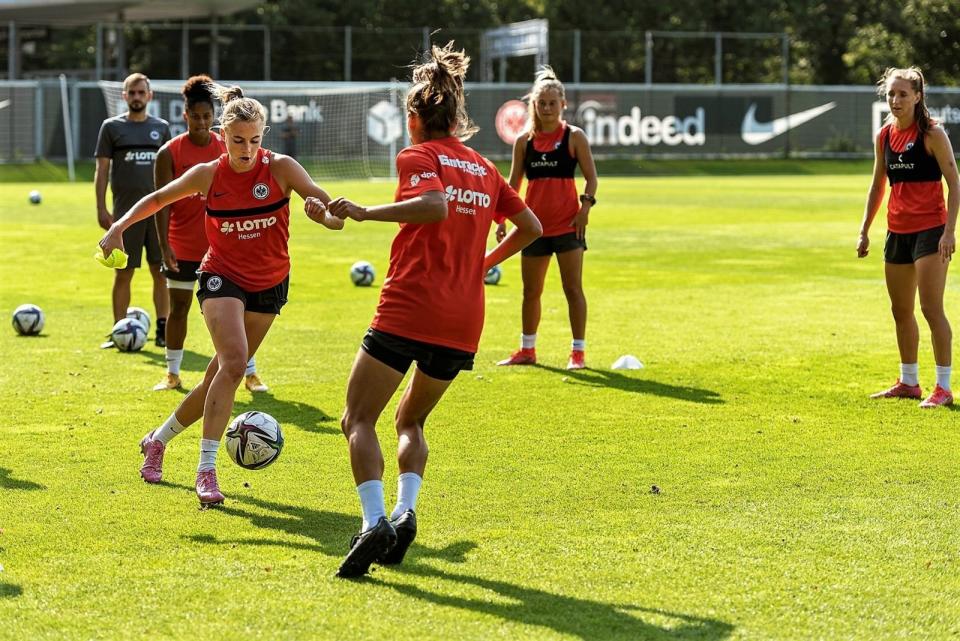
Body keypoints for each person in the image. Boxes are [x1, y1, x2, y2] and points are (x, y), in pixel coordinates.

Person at [306, 43, 542, 579]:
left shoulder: (419, 155)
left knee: (356, 418)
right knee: (410, 418)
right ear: (454, 114)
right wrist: (483, 261)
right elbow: (531, 227)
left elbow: (433, 205)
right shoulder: (482, 166)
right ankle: (405, 510)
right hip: (463, 320)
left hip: (410, 308)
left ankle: (373, 523)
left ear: (413, 117)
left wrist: (365, 212)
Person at [99, 83, 344, 506]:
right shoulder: (208, 174)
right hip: (221, 276)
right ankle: (206, 470)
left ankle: (157, 440)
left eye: (253, 140)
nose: (246, 149)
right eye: (237, 140)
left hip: (270, 284)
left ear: (262, 136)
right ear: (223, 135)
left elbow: (333, 216)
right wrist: (118, 228)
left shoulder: (283, 168)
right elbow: (158, 199)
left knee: (219, 376)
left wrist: (323, 216)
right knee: (234, 364)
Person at [152, 75, 269, 394]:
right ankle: (172, 373)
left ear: (214, 118)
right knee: (178, 308)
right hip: (182, 245)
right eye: (196, 116)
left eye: (207, 116)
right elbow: (161, 204)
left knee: (239, 314)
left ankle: (250, 372)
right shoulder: (169, 152)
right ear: (184, 115)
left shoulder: (229, 145)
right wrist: (164, 245)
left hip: (223, 250)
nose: (202, 122)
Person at [857, 66, 960, 408]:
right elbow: (877, 185)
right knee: (900, 309)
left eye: (903, 94)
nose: (895, 100)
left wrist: (949, 232)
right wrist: (864, 229)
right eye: (891, 94)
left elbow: (955, 183)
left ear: (918, 96)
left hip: (931, 230)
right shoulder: (884, 136)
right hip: (897, 231)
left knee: (931, 308)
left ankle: (943, 387)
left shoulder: (932, 133)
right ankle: (909, 381)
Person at [495, 67, 598, 370]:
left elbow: (592, 179)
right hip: (533, 230)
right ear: (534, 106)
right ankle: (528, 350)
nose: (548, 109)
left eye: (553, 103)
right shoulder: (523, 142)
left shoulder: (574, 137)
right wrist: (501, 219)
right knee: (531, 291)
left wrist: (584, 209)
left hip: (568, 227)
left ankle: (577, 353)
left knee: (572, 289)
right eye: (542, 104)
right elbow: (512, 185)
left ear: (563, 104)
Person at [95, 72, 171, 348]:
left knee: (160, 271)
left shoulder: (161, 128)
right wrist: (102, 207)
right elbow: (102, 169)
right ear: (124, 96)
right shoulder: (111, 128)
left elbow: (170, 173)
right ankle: (118, 332)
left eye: (142, 92)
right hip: (124, 215)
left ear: (149, 96)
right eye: (132, 92)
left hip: (158, 212)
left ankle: (163, 329)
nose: (137, 97)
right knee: (123, 272)